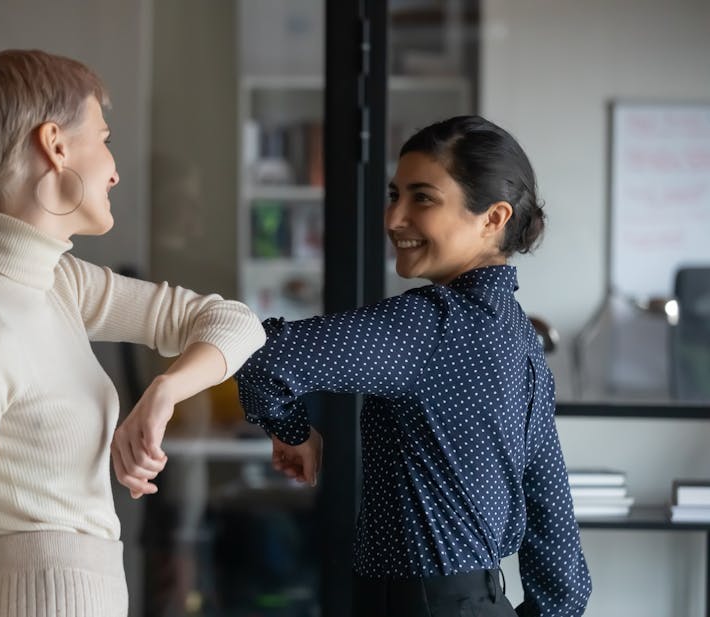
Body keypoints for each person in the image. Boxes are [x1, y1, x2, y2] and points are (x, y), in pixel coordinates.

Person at [0, 49, 266, 617]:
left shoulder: (58, 282)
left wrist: (163, 393)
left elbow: (237, 324)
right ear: (54, 145)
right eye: (103, 137)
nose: (115, 167)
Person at [233, 116, 593, 616]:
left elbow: (263, 358)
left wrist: (292, 431)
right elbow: (558, 549)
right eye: (393, 194)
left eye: (422, 197)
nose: (393, 217)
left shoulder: (430, 324)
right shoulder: (520, 339)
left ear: (492, 219)